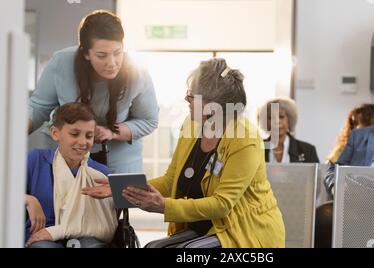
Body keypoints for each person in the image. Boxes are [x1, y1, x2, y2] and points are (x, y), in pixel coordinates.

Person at [82, 58, 285, 248]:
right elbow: (172, 181)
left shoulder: (245, 139)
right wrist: (121, 189)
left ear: (213, 106)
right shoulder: (192, 126)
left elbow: (222, 204)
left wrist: (163, 206)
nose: (185, 99)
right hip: (204, 228)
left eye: (191, 96)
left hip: (243, 232)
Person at [28, 10, 159, 173]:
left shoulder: (137, 71)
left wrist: (111, 132)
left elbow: (149, 120)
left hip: (120, 159)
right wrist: (11, 133)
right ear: (85, 53)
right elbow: (38, 108)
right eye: (101, 55)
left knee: (120, 198)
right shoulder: (61, 62)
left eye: (117, 53)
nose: (112, 63)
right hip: (68, 156)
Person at [25, 102, 117, 248]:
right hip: (40, 236)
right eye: (74, 134)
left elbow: (105, 222)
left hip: (85, 237)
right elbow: (5, 192)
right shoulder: (36, 160)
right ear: (55, 133)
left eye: (89, 136)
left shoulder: (101, 173)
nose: (82, 142)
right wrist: (28, 199)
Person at [259, 98, 319, 163]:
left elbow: (317, 173)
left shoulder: (308, 150)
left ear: (289, 120)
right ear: (265, 121)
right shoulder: (256, 148)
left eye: (281, 117)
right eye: (271, 117)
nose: (277, 121)